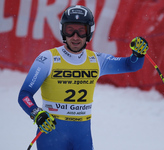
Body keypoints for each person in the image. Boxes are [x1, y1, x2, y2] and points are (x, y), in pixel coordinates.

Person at [18, 5, 149, 150]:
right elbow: (25, 95)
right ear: (63, 31)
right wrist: (37, 114)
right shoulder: (47, 59)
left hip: (82, 140)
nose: (75, 36)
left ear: (89, 33)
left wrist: (138, 54)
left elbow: (130, 65)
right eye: (70, 30)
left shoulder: (97, 60)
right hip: (51, 136)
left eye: (81, 31)